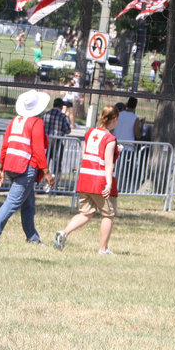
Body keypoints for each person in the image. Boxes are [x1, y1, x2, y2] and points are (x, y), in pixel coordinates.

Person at [0, 89, 55, 245]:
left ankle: (33, 238)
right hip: (26, 168)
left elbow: (5, 146)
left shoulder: (15, 121)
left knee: (28, 204)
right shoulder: (36, 122)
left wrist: (0, 168)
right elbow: (38, 150)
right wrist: (47, 173)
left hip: (11, 166)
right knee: (13, 202)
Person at [54, 105, 120, 254]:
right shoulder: (110, 138)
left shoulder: (90, 133)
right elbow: (108, 164)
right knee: (108, 215)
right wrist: (109, 184)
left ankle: (64, 233)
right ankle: (103, 249)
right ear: (114, 119)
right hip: (100, 180)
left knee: (86, 213)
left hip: (85, 178)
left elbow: (87, 155)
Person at [43, 97, 72, 181]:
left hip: (46, 142)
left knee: (44, 163)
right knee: (57, 163)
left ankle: (41, 183)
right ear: (61, 106)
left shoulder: (45, 114)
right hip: (57, 142)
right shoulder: (62, 116)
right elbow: (68, 130)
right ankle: (54, 184)